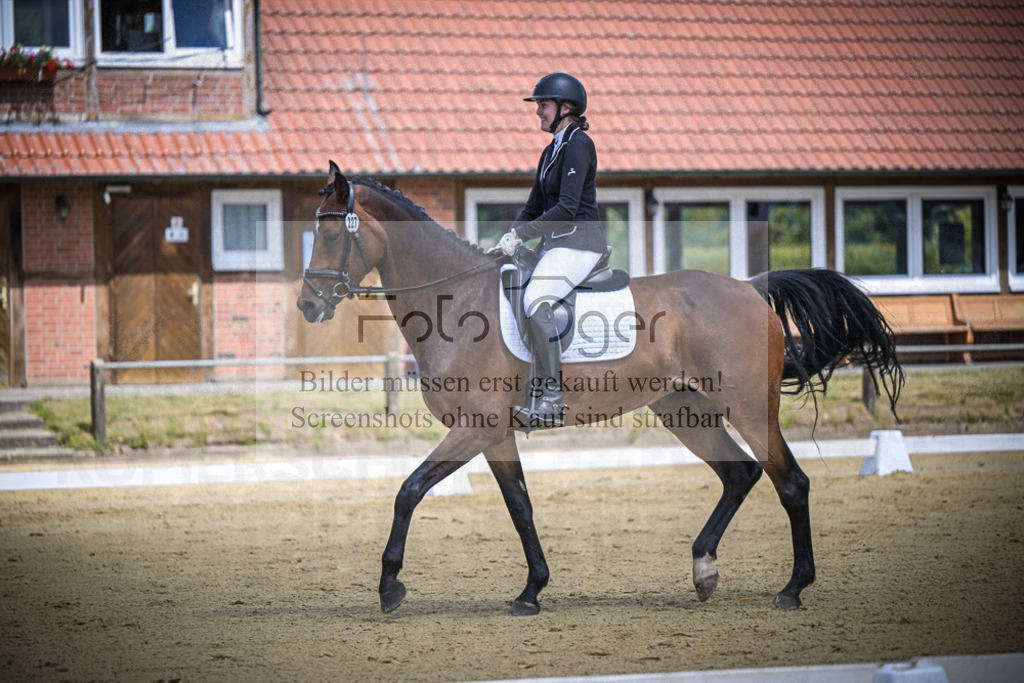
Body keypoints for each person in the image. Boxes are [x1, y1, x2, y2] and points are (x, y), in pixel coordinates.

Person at [495, 72, 609, 429]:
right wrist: (508, 238)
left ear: (566, 107)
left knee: (536, 300)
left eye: (543, 105)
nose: (538, 112)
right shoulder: (550, 151)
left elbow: (567, 208)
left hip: (580, 244)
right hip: (555, 245)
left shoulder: (579, 144)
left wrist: (522, 235)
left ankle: (552, 398)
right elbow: (534, 207)